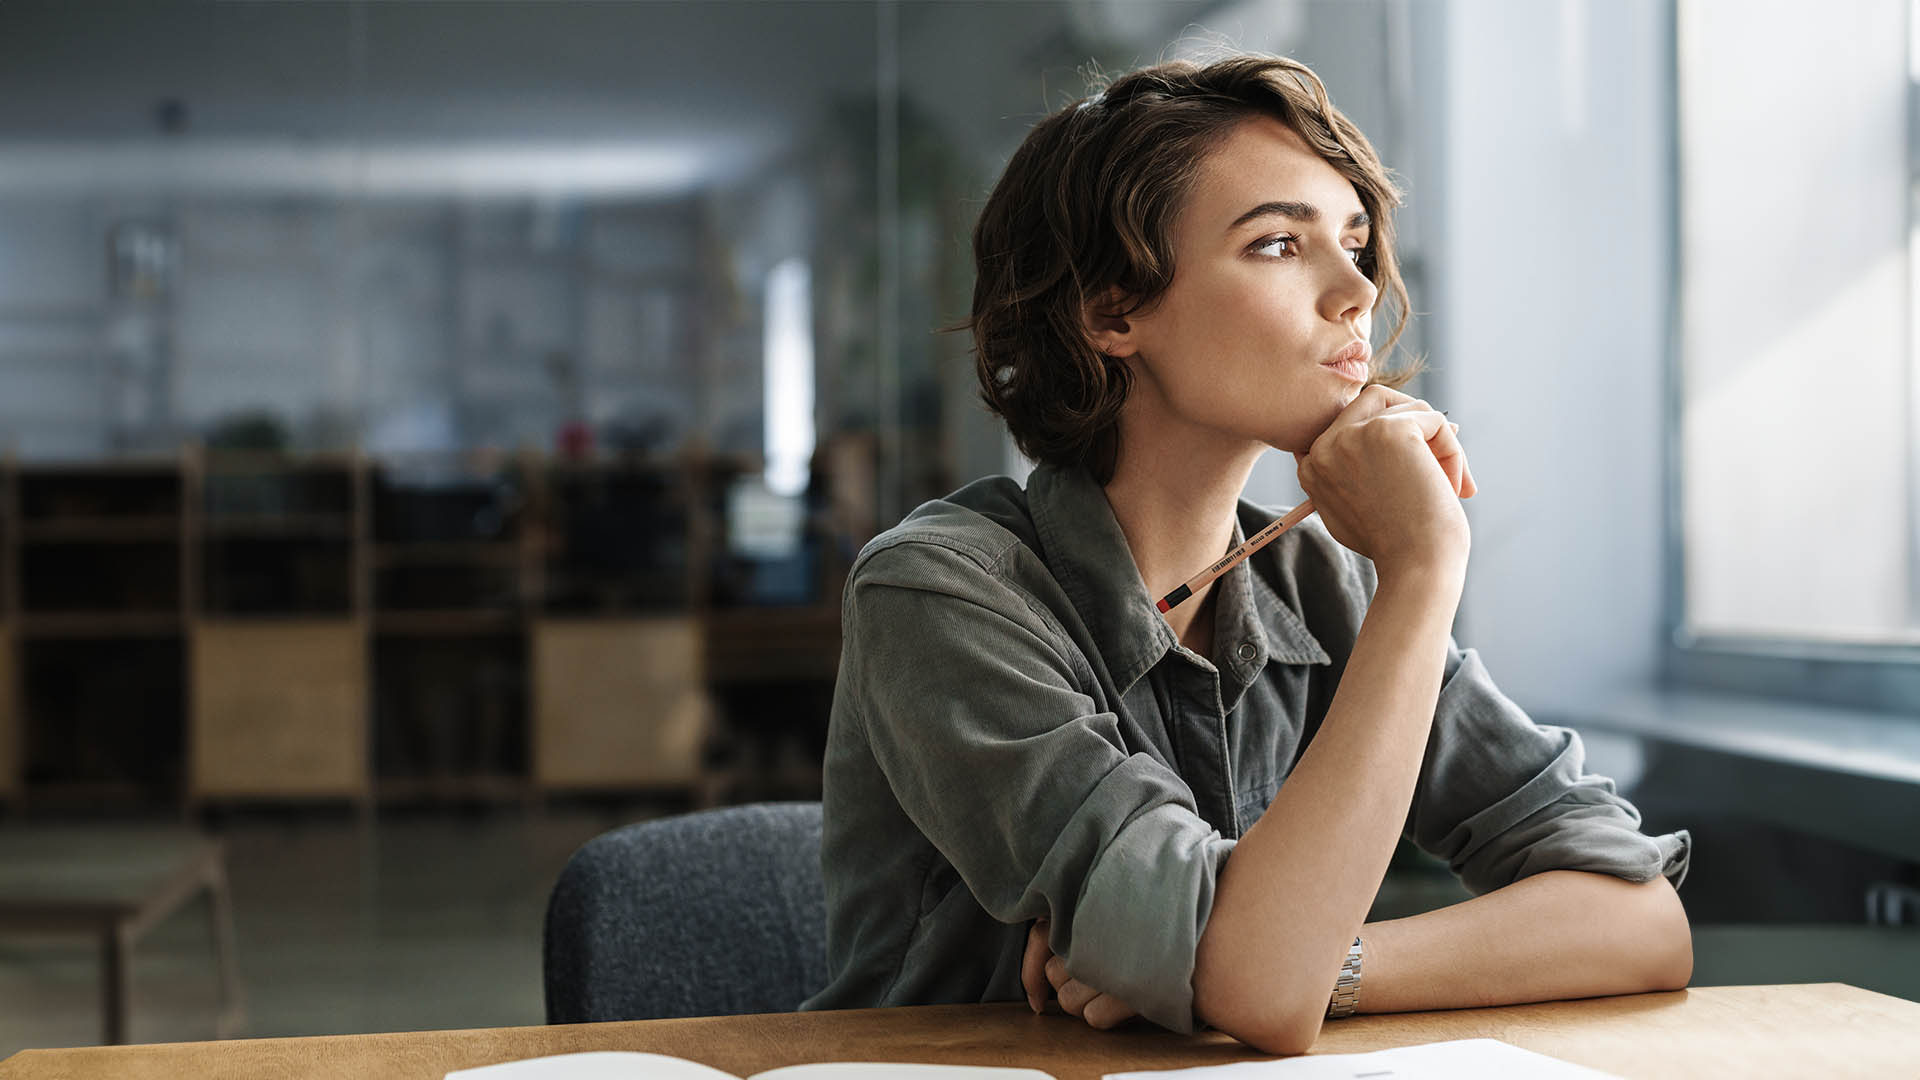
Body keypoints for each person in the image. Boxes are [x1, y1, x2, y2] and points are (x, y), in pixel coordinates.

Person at [798, 53, 1692, 1055]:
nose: (1355, 290)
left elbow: (1642, 917)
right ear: (1111, 311)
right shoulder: (941, 592)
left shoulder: (1325, 585)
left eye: (1353, 242)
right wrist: (1429, 566)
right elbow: (1258, 985)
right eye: (1277, 243)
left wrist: (1324, 964)